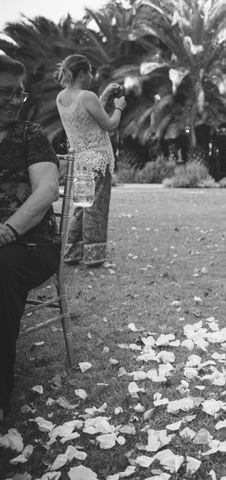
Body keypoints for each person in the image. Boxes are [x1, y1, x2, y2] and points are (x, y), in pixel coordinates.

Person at [0, 54, 61, 421]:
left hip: (30, 244)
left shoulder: (30, 135)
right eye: (5, 92)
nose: (13, 100)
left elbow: (47, 190)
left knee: (1, 268)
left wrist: (8, 230)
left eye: (17, 94)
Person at [55, 54, 126, 266]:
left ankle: (72, 253)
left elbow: (88, 115)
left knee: (81, 206)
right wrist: (119, 106)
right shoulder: (87, 96)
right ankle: (95, 257)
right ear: (83, 73)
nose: (92, 76)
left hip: (80, 160)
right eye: (91, 72)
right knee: (97, 208)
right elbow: (110, 125)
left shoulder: (61, 97)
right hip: (98, 159)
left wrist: (103, 96)